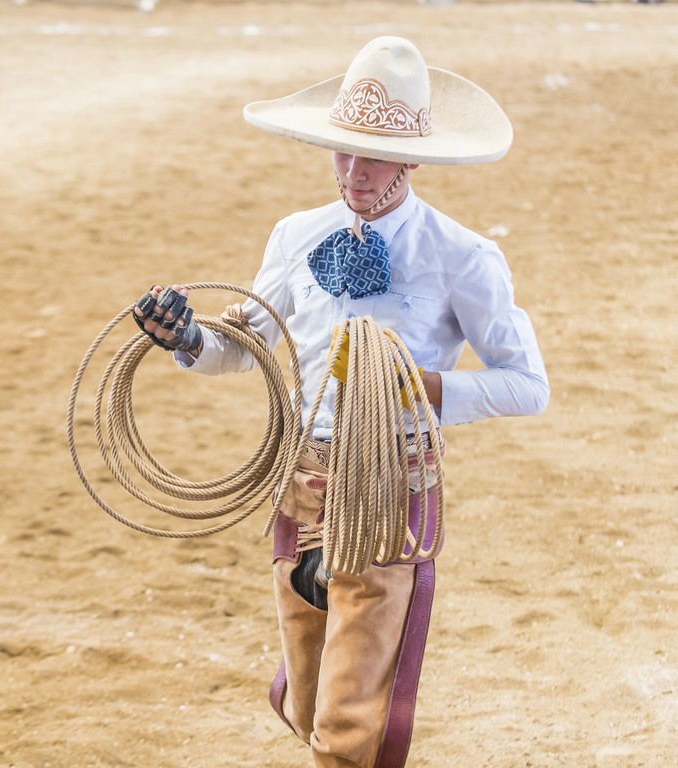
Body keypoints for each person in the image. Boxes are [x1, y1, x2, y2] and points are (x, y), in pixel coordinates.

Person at [132, 36, 549, 768]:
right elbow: (249, 348)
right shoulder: (296, 237)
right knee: (310, 699)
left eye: (374, 158)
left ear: (413, 160)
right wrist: (188, 338)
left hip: (388, 485)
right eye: (342, 154)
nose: (354, 174)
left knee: (349, 724)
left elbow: (528, 384)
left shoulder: (463, 256)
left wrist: (425, 390)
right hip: (302, 482)